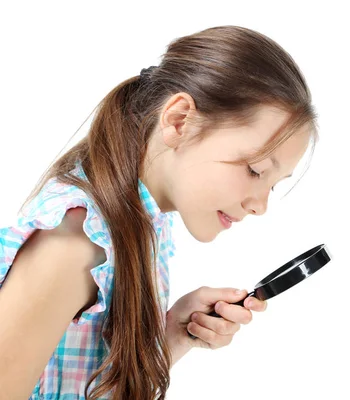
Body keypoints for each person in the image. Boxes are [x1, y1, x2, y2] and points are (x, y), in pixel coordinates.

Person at [0, 25, 319, 399]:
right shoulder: (74, 248)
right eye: (255, 170)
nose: (260, 205)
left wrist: (171, 338)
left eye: (273, 184)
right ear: (180, 120)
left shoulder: (144, 221)